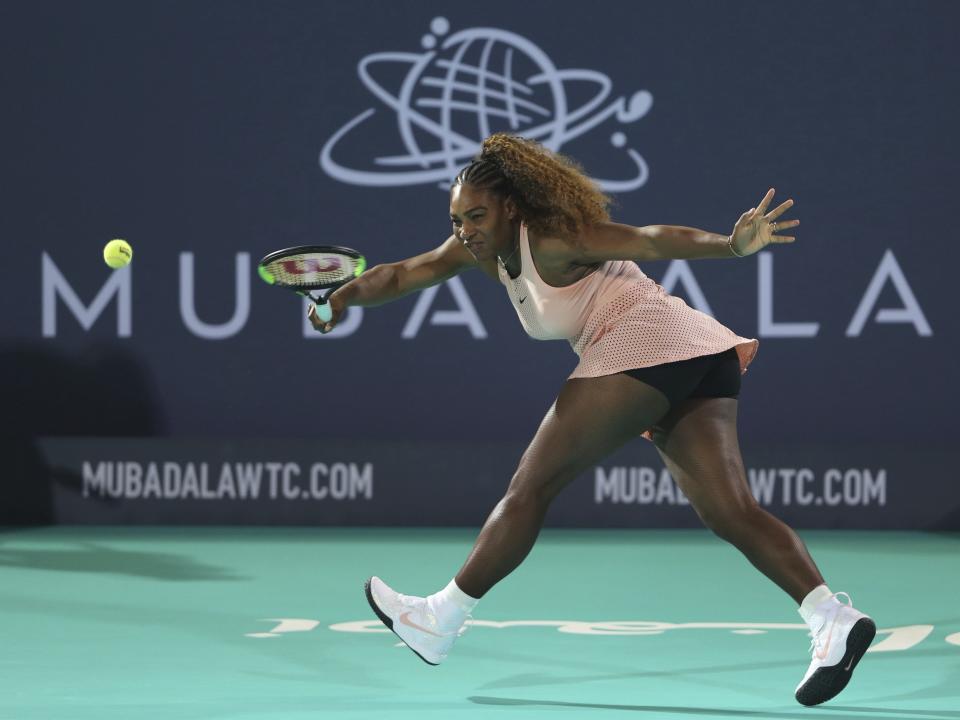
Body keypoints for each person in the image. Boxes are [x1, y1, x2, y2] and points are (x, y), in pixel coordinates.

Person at [308, 134, 875, 706]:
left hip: (644, 343)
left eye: (476, 215)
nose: (465, 230)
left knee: (531, 487)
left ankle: (441, 617)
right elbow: (406, 273)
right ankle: (831, 616)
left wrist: (730, 245)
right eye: (457, 219)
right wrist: (338, 301)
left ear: (511, 207)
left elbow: (649, 239)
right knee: (731, 511)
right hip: (697, 353)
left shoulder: (555, 239)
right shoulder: (477, 250)